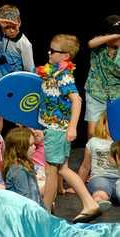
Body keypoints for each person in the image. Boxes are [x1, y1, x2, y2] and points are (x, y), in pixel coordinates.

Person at [36, 34, 100, 223]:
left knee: (55, 170)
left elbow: (77, 101)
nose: (49, 52)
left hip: (58, 129)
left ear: (65, 56)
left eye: (53, 51)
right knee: (58, 169)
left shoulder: (64, 75)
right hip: (51, 127)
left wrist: (72, 127)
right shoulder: (52, 71)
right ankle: (83, 204)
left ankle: (47, 211)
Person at [84, 15, 120, 139]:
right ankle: (93, 157)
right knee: (92, 133)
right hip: (96, 93)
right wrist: (115, 36)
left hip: (116, 95)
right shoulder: (99, 46)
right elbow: (90, 43)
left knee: (113, 132)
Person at [76, 112, 119, 212]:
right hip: (100, 177)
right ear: (103, 123)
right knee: (100, 191)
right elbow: (85, 166)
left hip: (118, 179)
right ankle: (99, 202)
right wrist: (77, 186)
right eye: (112, 122)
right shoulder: (94, 142)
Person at [2, 127, 43, 206]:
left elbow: (37, 195)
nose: (34, 147)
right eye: (31, 145)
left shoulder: (27, 164)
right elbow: (25, 201)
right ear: (20, 149)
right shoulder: (18, 171)